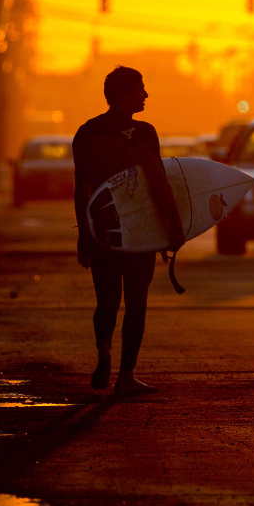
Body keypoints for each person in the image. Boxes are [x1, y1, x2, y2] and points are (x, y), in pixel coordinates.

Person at [73, 66, 184, 396]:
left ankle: (103, 348)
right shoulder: (144, 133)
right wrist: (172, 228)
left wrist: (84, 233)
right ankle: (125, 376)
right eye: (140, 89)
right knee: (136, 303)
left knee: (106, 301)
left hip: (102, 231)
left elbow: (82, 188)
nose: (146, 95)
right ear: (123, 95)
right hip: (138, 232)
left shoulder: (86, 133)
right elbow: (157, 183)